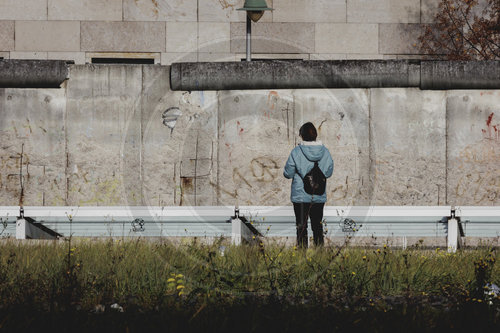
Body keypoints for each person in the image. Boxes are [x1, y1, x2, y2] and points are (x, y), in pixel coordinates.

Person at [283, 122, 334, 248]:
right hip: (318, 195)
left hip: (300, 196)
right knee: (317, 226)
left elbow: (288, 173)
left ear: (302, 135)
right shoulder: (325, 152)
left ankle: (302, 257)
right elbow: (328, 173)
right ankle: (319, 256)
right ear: (315, 135)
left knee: (301, 227)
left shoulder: (296, 152)